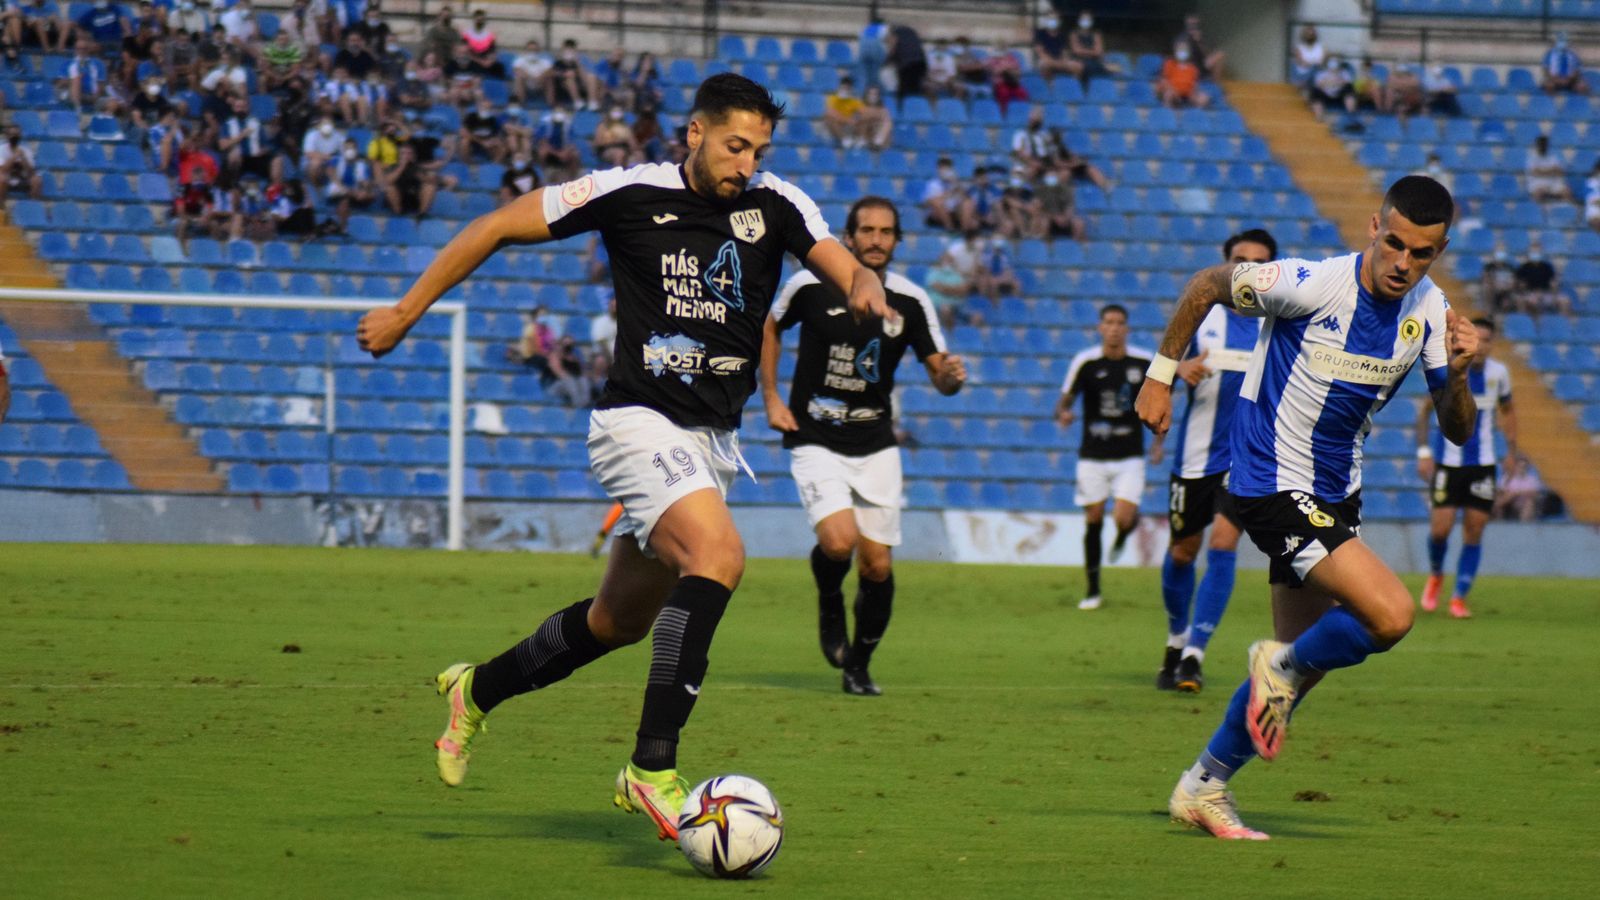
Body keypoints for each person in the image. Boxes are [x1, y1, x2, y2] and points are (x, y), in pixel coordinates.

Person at [354, 73, 890, 840]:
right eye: (735, 145)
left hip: (709, 442)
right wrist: (406, 312)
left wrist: (865, 286)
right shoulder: (626, 192)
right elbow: (499, 224)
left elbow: (844, 264)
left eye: (759, 149)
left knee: (618, 620)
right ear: (694, 133)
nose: (747, 162)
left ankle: (475, 692)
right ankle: (651, 768)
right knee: (719, 557)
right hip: (637, 422)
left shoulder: (778, 203)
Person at [1134, 175, 1478, 840]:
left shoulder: (1432, 314)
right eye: (1396, 244)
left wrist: (1459, 375)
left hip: (1335, 495)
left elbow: (1457, 429)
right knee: (1390, 615)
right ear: (1375, 228)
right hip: (1269, 481)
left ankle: (1203, 786)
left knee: (1295, 671)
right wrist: (1159, 375)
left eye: (1423, 253)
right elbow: (1209, 283)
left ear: (1438, 252)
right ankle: (1277, 668)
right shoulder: (1313, 284)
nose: (1403, 263)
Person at [762, 196, 966, 695]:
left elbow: (939, 372)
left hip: (875, 441)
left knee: (877, 565)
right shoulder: (810, 283)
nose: (876, 239)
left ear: (897, 241)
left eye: (886, 232)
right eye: (867, 230)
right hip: (814, 436)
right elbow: (769, 326)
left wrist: (951, 378)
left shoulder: (912, 301)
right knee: (838, 542)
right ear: (849, 237)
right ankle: (830, 598)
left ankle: (859, 664)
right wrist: (770, 396)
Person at [1155, 229, 1275, 694]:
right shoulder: (1200, 314)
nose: (1246, 269)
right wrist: (1176, 370)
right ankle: (1174, 638)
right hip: (1194, 454)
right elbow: (1163, 365)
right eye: (1238, 260)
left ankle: (1193, 656)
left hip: (1247, 457)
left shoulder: (1278, 321)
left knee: (1223, 544)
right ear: (1224, 265)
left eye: (1257, 262)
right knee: (1183, 552)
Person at [1055, 305, 1159, 610]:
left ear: (1127, 328)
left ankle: (1123, 534)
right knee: (1094, 518)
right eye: (1108, 322)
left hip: (1129, 456)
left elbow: (1158, 404)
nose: (1114, 328)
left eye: (1119, 323)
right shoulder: (1085, 362)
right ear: (1100, 327)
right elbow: (1064, 400)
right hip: (1093, 456)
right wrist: (1063, 413)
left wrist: (1157, 444)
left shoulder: (1143, 362)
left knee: (1123, 518)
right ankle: (1093, 589)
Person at [1416, 317, 1514, 620]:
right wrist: (1423, 453)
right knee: (1440, 529)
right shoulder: (1452, 369)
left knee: (1475, 530)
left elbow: (1509, 412)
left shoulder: (1500, 374)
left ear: (1492, 343)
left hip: (1483, 464)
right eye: (1478, 339)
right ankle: (1435, 575)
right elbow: (1423, 414)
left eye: (1487, 340)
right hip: (1448, 462)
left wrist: (1511, 451)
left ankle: (1459, 597)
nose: (1481, 346)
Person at [1174, 13, 1225, 80]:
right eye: (1191, 25)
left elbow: (1206, 55)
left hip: (1200, 65)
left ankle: (1215, 83)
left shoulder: (1199, 37)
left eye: (1196, 25)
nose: (1194, 28)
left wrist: (1198, 42)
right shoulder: (1181, 39)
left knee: (1220, 54)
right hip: (1188, 68)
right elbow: (1181, 59)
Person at [1157, 44, 1208, 109]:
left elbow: (1195, 83)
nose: (1182, 52)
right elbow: (1164, 79)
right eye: (1180, 50)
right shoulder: (1170, 64)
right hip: (1173, 92)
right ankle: (1167, 114)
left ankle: (1194, 115)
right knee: (1168, 94)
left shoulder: (1192, 68)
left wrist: (1194, 91)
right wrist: (1172, 89)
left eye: (1184, 50)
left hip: (1188, 94)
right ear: (1176, 52)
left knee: (1204, 98)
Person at [0, 124, 43, 202]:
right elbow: (3, 170)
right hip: (7, 179)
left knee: (36, 180)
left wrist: (23, 158)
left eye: (16, 134)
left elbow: (31, 172)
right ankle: (1, 207)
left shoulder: (26, 150)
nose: (14, 137)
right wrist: (14, 157)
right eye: (12, 135)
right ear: (7, 136)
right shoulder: (1, 149)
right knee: (1, 178)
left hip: (22, 178)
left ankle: (33, 206)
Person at [1525, 134, 1573, 204]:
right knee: (1538, 193)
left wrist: (1543, 171)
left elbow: (1560, 172)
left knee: (1567, 191)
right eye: (1541, 145)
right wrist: (1551, 171)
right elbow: (1535, 172)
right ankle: (1538, 212)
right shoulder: (1532, 159)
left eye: (1545, 145)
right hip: (1538, 183)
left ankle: (1566, 210)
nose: (1543, 147)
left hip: (1552, 183)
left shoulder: (1553, 158)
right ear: (1538, 146)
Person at [1067, 11, 1113, 83]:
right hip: (1079, 62)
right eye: (1083, 19)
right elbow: (1076, 50)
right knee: (1079, 67)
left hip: (1094, 62)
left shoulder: (1096, 34)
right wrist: (1092, 51)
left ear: (1091, 21)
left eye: (1087, 19)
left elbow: (1099, 51)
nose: (1085, 21)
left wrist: (1083, 51)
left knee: (1115, 69)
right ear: (1079, 20)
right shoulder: (1074, 34)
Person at [1033, 13, 1079, 81]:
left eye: (1055, 19)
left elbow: (1065, 53)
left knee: (1078, 66)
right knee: (1045, 65)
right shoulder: (1040, 33)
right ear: (1046, 20)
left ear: (1059, 21)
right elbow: (1040, 53)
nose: (1053, 21)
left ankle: (1072, 87)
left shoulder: (1062, 35)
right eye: (1050, 19)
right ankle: (1050, 88)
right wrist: (1055, 63)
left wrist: (1064, 62)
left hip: (1060, 61)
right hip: (1046, 60)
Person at [1290, 25, 1324, 90]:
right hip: (1300, 73)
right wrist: (1313, 62)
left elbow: (1321, 63)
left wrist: (1310, 63)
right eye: (1307, 34)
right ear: (1304, 35)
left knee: (1315, 68)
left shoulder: (1320, 48)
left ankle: (1304, 85)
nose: (1309, 36)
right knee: (1293, 64)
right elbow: (1301, 62)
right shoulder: (1299, 47)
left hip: (1314, 73)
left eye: (1311, 34)